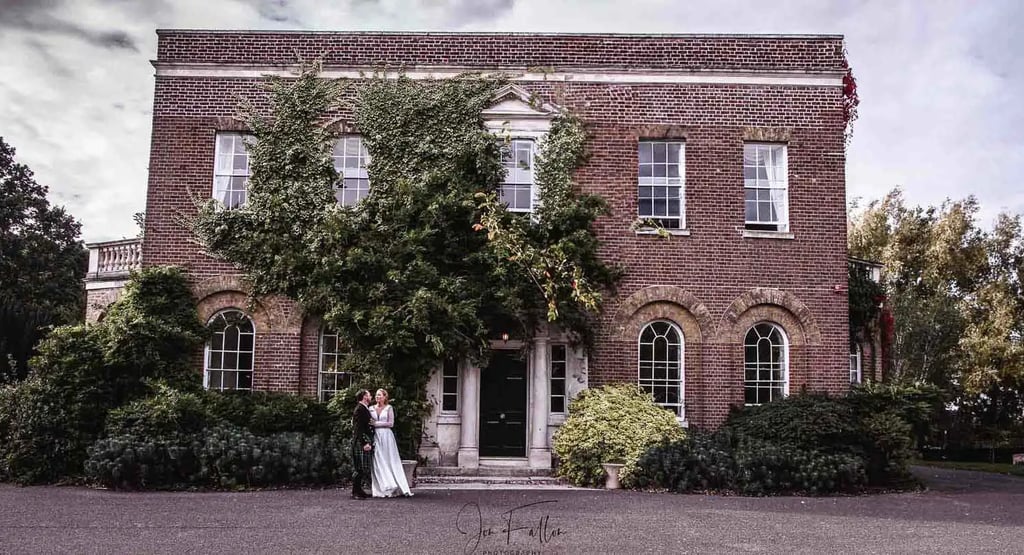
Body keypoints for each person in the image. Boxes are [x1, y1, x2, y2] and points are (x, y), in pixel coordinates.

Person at [369, 388, 413, 498]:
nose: (377, 397)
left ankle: (396, 485)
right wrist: (373, 425)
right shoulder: (371, 409)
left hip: (387, 436)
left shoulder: (389, 408)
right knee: (378, 460)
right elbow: (369, 422)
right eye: (376, 395)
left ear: (385, 397)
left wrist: (376, 424)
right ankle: (382, 487)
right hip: (376, 436)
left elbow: (391, 423)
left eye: (380, 395)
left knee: (389, 459)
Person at [350, 389, 374, 500]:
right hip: (360, 441)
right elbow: (358, 429)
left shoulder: (363, 408)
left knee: (363, 467)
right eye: (369, 395)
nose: (371, 396)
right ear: (364, 397)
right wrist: (364, 442)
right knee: (359, 467)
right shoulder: (360, 409)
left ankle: (359, 490)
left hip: (362, 440)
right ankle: (355, 492)